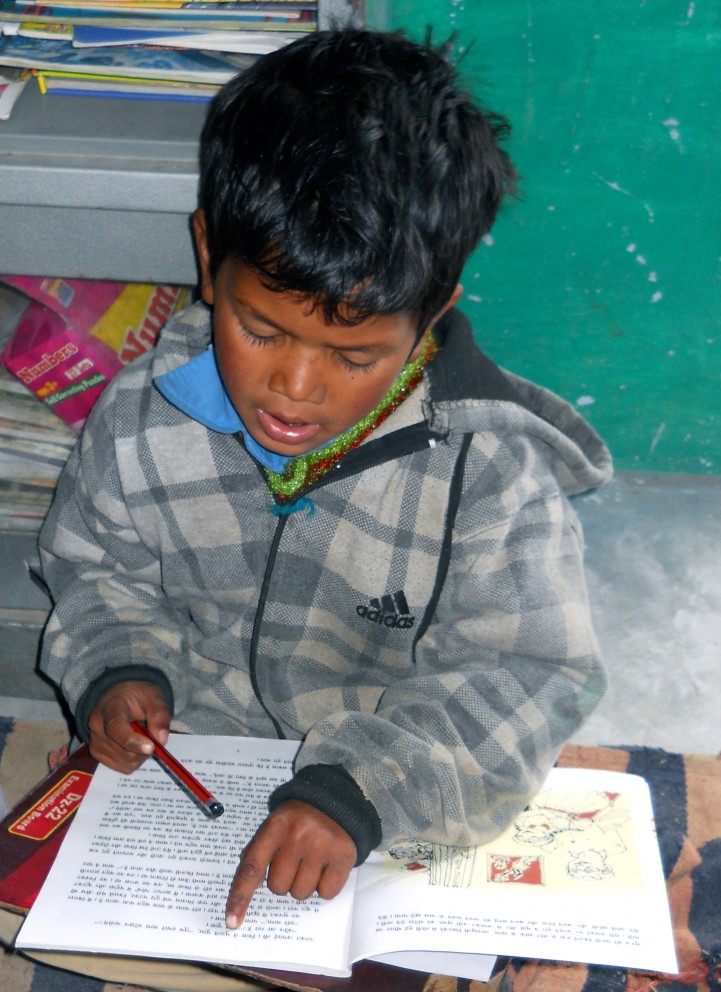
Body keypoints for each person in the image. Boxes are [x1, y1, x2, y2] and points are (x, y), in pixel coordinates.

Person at [38, 27, 612, 940]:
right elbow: (94, 574)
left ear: (438, 305)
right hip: (194, 783)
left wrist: (357, 792)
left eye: (353, 353)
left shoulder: (490, 475)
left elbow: (527, 674)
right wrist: (119, 668)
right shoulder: (143, 417)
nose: (293, 391)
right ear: (204, 255)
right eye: (259, 329)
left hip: (392, 801)